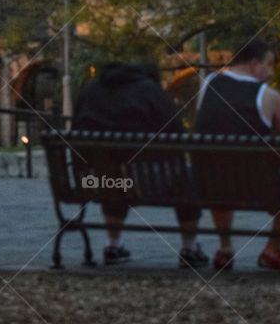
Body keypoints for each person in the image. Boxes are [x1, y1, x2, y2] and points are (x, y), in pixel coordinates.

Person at [74, 60, 208, 268]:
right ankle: (189, 248)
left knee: (111, 174)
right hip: (145, 182)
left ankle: (113, 244)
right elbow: (179, 136)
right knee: (186, 180)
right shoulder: (150, 91)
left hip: (93, 182)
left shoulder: (91, 90)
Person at [194, 38, 280, 273]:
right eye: (269, 64)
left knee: (219, 171)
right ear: (255, 64)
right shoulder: (268, 96)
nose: (271, 71)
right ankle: (272, 249)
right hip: (258, 185)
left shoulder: (208, 84)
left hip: (209, 182)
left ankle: (225, 247)